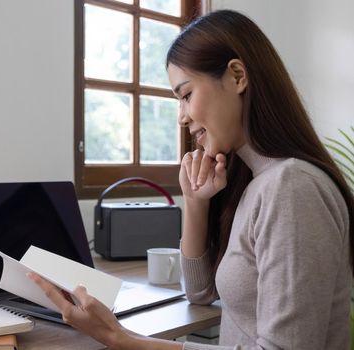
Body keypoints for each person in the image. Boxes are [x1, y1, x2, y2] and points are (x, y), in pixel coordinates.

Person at [28, 9, 354, 349]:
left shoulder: (291, 188)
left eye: (186, 95)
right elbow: (200, 292)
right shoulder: (256, 184)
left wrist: (120, 339)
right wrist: (196, 201)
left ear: (237, 76)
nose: (182, 117)